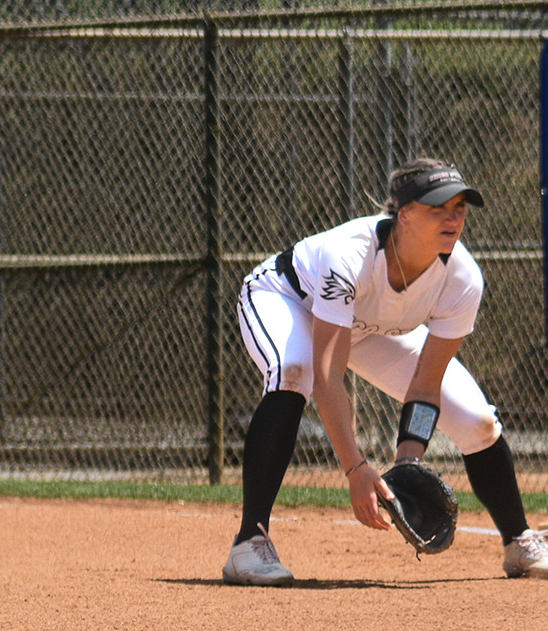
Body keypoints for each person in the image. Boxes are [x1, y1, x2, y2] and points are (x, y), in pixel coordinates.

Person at [223, 158, 548, 585]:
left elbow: (427, 382)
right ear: (404, 214)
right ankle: (250, 543)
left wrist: (407, 465)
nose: (453, 218)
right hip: (289, 300)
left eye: (460, 208)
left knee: (478, 421)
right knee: (295, 371)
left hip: (368, 326)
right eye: (439, 208)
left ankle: (519, 541)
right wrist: (357, 470)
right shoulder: (351, 256)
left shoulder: (463, 278)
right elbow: (328, 377)